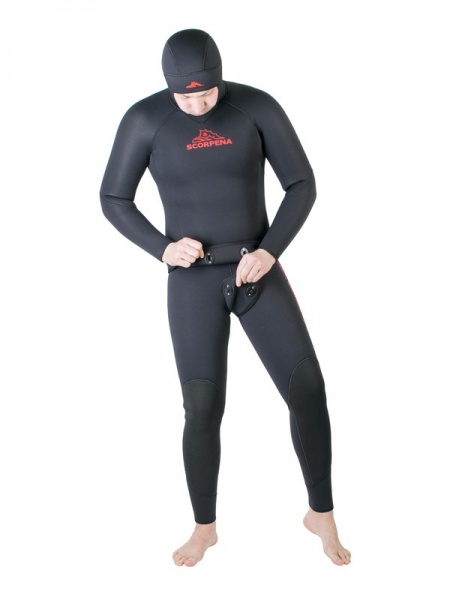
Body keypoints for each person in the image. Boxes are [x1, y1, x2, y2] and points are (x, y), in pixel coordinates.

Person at [99, 28, 351, 567]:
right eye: (184, 98)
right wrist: (163, 248)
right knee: (202, 407)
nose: (196, 106)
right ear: (168, 87)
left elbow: (301, 184)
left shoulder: (256, 107)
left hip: (255, 271)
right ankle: (204, 528)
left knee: (308, 388)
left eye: (206, 94)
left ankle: (322, 513)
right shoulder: (144, 119)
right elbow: (114, 197)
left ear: (219, 77)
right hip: (192, 280)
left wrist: (270, 251)